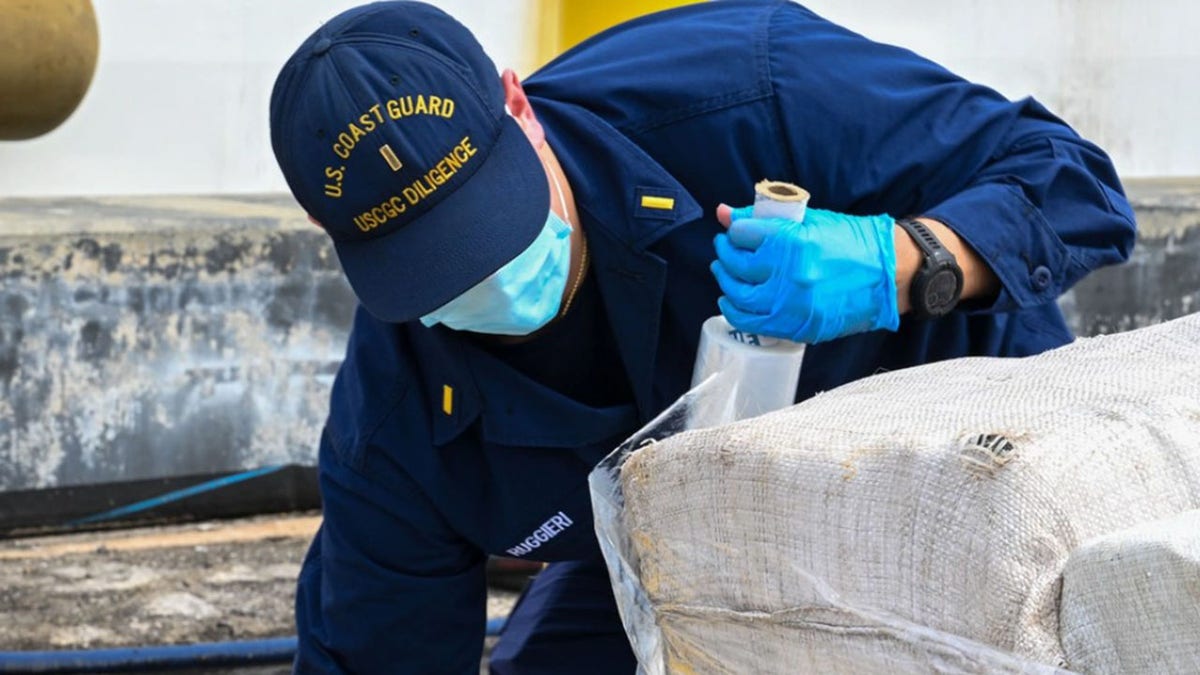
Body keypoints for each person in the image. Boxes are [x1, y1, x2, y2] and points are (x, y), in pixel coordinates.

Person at [268, 1, 1136, 672]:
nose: (490, 276)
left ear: (516, 102)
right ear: (326, 226)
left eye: (494, 225)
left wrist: (904, 261)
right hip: (687, 549)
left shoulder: (750, 90)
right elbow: (378, 650)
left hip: (951, 471)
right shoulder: (394, 426)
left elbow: (1076, 187)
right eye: (442, 266)